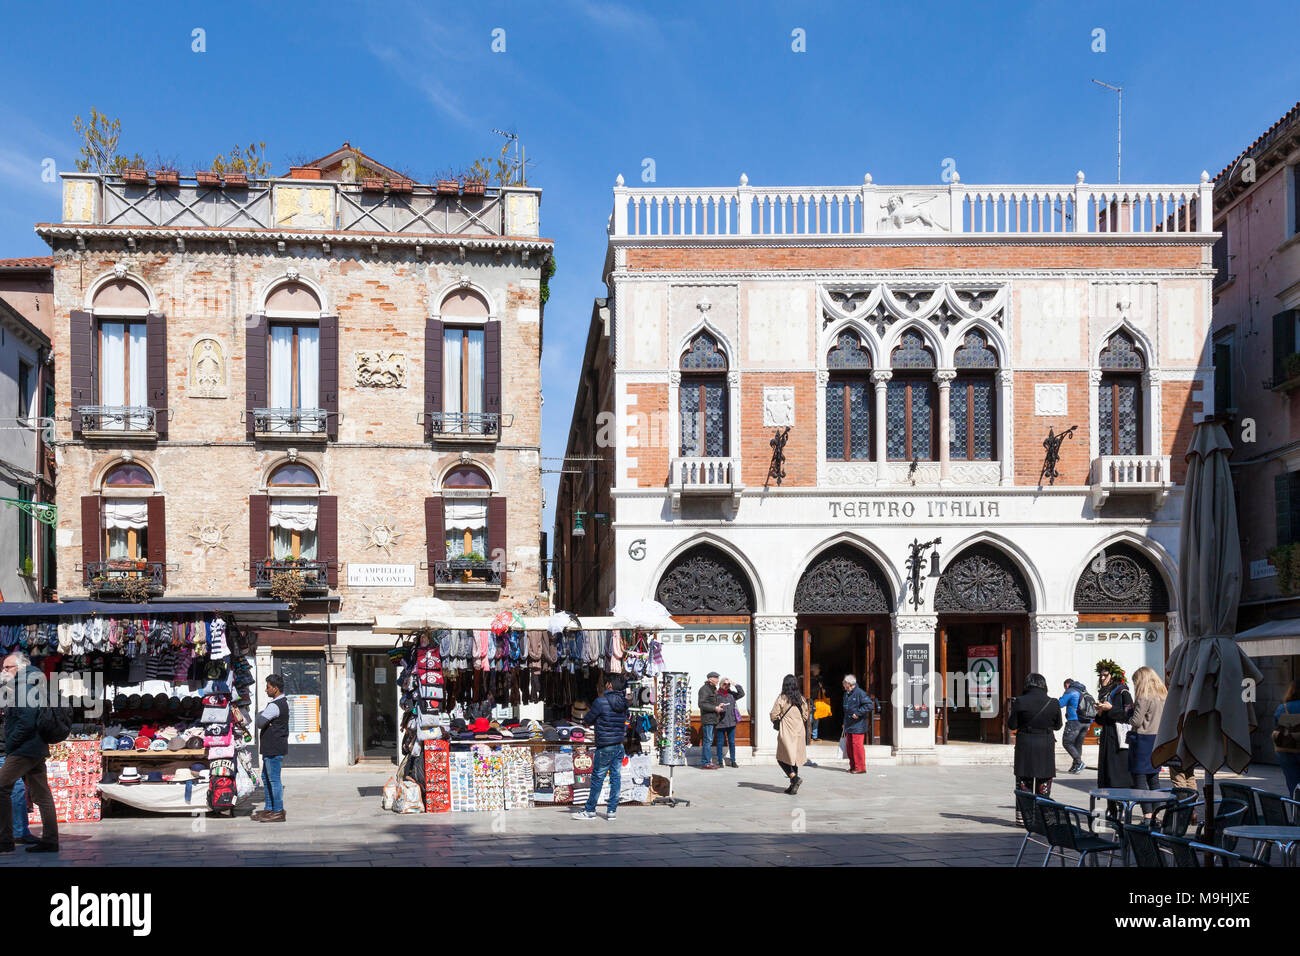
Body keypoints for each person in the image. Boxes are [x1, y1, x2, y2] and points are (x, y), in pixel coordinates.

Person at [0, 652, 58, 852]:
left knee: (2, 788)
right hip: (35, 747)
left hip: (24, 749)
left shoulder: (23, 687)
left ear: (19, 668)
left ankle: (5, 840)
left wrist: (11, 744)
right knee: (42, 795)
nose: (3, 671)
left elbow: (26, 721)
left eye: (7, 667)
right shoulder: (29, 684)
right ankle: (50, 840)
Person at [1007, 673, 1063, 821]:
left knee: (1024, 781)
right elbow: (1058, 726)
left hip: (1025, 744)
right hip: (1045, 744)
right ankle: (1042, 816)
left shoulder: (1020, 701)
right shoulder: (1053, 702)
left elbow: (1012, 725)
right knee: (1044, 780)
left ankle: (1024, 817)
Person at [574, 674, 629, 820]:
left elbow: (588, 719)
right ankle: (611, 811)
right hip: (619, 745)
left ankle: (590, 810)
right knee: (615, 778)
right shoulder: (624, 703)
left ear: (610, 685)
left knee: (598, 778)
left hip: (605, 746)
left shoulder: (600, 702)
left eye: (606, 683)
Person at [1093, 659, 1134, 822]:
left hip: (1119, 740)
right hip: (1107, 738)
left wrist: (1111, 709)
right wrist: (1100, 712)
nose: (1102, 678)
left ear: (1113, 676)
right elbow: (1101, 721)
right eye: (1100, 676)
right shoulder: (1104, 693)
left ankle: (1122, 807)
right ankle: (1111, 808)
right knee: (1107, 773)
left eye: (1105, 675)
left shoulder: (1123, 692)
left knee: (1118, 774)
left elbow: (1129, 715)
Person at [1127, 665, 1167, 822]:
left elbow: (1136, 721)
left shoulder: (1144, 697)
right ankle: (1157, 813)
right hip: (1157, 739)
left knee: (1140, 779)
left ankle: (1147, 815)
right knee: (1154, 779)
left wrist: (1128, 714)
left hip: (1143, 740)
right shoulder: (1162, 695)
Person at [253, 673, 289, 823]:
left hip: (274, 747)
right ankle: (269, 808)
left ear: (275, 688)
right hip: (271, 747)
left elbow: (259, 722)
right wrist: (263, 716)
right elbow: (262, 719)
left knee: (273, 779)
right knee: (266, 778)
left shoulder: (275, 705)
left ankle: (278, 811)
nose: (265, 690)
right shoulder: (279, 703)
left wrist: (261, 716)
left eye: (268, 687)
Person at [0, 711, 36, 846]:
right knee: (16, 789)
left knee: (15, 789)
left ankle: (18, 832)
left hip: (6, 751)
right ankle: (19, 832)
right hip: (4, 751)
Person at [770, 674, 810, 795]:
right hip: (799, 731)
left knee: (782, 758)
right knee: (794, 759)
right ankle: (793, 786)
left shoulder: (782, 698)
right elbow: (805, 716)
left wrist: (780, 720)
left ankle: (794, 779)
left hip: (787, 731)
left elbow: (773, 714)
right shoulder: (801, 699)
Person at [841, 675, 874, 774]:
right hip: (849, 724)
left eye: (844, 683)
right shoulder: (846, 694)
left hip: (858, 725)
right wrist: (844, 722)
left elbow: (869, 705)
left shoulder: (860, 693)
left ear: (849, 684)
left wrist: (858, 713)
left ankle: (860, 767)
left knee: (857, 747)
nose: (843, 684)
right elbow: (846, 710)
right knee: (849, 747)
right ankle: (853, 766)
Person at [1274, 681, 1300, 799]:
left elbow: (1277, 726)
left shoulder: (1282, 707)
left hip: (1285, 749)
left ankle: (1296, 813)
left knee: (1292, 785)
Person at [1058, 677, 1089, 774]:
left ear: (1067, 685)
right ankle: (1076, 766)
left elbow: (1060, 704)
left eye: (1065, 687)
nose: (1065, 689)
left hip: (1074, 721)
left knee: (1067, 742)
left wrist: (1061, 698)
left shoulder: (1070, 691)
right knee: (1077, 744)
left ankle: (1079, 762)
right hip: (1086, 721)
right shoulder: (1084, 691)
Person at [713, 678, 745, 768]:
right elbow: (712, 706)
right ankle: (720, 761)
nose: (727, 686)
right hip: (720, 722)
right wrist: (718, 707)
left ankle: (733, 761)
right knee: (720, 742)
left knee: (732, 742)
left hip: (731, 722)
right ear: (721, 684)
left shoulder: (731, 694)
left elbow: (742, 694)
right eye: (725, 684)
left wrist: (735, 684)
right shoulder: (716, 694)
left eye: (728, 684)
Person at [697, 672, 723, 769]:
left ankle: (707, 762)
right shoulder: (704, 689)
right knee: (707, 741)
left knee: (709, 740)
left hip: (713, 719)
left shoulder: (712, 689)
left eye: (717, 678)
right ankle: (705, 763)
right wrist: (715, 708)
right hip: (707, 719)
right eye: (716, 678)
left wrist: (718, 706)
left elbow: (711, 703)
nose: (718, 680)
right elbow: (701, 704)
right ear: (710, 679)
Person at [809, 664, 828, 740]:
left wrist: (823, 689)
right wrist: (818, 687)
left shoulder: (819, 678)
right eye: (818, 668)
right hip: (810, 700)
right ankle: (808, 736)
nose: (819, 670)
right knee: (810, 718)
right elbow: (810, 690)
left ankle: (814, 736)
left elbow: (822, 689)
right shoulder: (808, 678)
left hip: (818, 701)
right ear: (813, 669)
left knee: (817, 718)